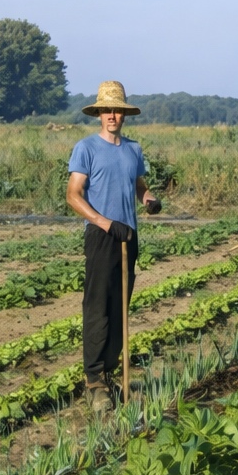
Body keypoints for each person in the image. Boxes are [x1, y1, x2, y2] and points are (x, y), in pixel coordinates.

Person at [66, 80, 161, 407]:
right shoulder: (86, 148)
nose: (112, 116)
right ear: (99, 114)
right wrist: (106, 223)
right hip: (102, 236)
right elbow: (73, 195)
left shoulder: (133, 149)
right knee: (98, 308)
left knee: (120, 308)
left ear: (124, 115)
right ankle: (94, 379)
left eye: (117, 111)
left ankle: (111, 373)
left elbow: (138, 184)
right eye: (107, 110)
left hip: (129, 235)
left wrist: (147, 198)